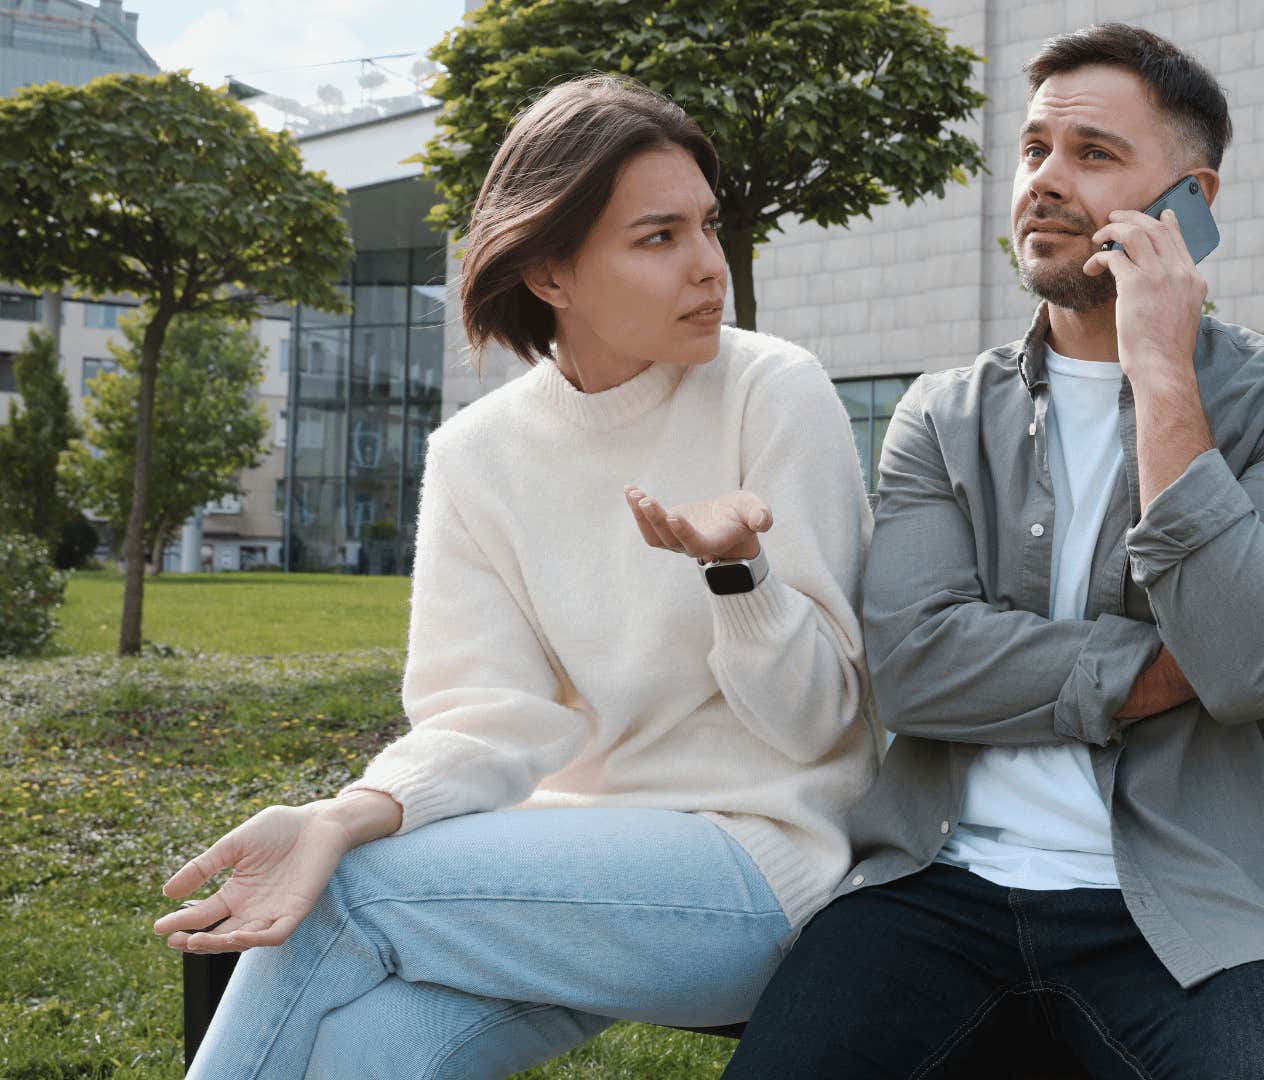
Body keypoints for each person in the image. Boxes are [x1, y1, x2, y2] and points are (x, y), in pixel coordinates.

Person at [153, 74, 879, 1078]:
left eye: (708, 227)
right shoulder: (475, 453)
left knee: (342, 896)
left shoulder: (772, 390)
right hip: (557, 872)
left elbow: (825, 727)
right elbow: (485, 719)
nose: (710, 267)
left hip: (763, 868)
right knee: (365, 1053)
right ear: (550, 273)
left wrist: (739, 575)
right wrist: (343, 814)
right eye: (659, 238)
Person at [723, 24, 1264, 1079]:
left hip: (1213, 907)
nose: (1044, 181)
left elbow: (1252, 666)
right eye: (1033, 151)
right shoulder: (940, 414)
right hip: (934, 889)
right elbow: (915, 666)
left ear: (1192, 199)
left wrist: (1161, 372)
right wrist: (1170, 669)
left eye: (1094, 154)